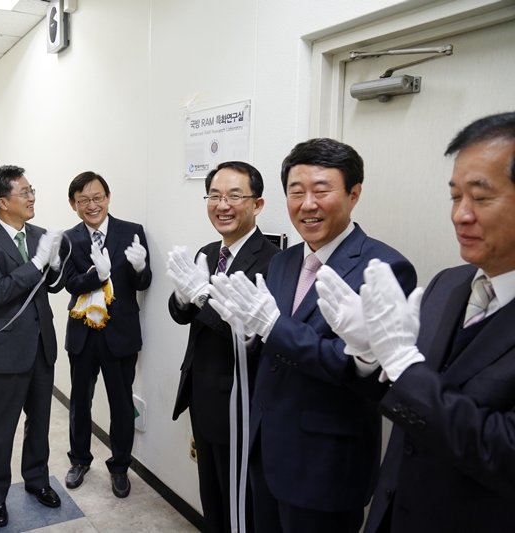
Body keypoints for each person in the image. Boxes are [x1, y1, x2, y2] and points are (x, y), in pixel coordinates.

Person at [318, 112, 515, 532]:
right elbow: (406, 397)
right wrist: (370, 355)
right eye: (455, 197)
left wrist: (402, 363)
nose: (460, 215)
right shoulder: (449, 283)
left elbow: (505, 452)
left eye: (481, 198)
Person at [207, 139, 417, 533]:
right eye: (296, 191)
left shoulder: (385, 268)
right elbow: (270, 350)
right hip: (266, 449)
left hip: (326, 464)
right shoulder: (283, 261)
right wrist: (249, 334)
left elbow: (366, 372)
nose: (307, 205)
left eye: (321, 190)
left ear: (354, 194)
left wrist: (273, 327)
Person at [167, 161, 280, 533]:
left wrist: (201, 297)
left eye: (234, 196)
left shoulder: (273, 262)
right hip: (200, 393)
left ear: (257, 204)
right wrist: (183, 297)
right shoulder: (208, 250)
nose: (222, 205)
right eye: (214, 196)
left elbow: (253, 335)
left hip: (237, 402)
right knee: (212, 494)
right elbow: (183, 314)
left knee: (239, 501)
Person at [0, 165, 64, 528]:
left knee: (39, 422)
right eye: (25, 192)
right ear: (3, 202)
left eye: (31, 190)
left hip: (41, 346)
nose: (32, 197)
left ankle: (37, 480)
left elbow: (52, 285)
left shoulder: (40, 234)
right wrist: (37, 263)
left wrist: (55, 266)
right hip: (4, 349)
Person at [60, 171, 152, 498]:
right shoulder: (68, 239)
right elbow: (70, 283)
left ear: (108, 197)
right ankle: (79, 460)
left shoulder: (132, 232)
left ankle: (120, 466)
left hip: (120, 333)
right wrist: (96, 276)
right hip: (83, 332)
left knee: (122, 403)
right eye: (83, 200)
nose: (92, 205)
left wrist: (140, 268)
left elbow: (143, 283)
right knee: (80, 402)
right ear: (73, 204)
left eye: (97, 197)